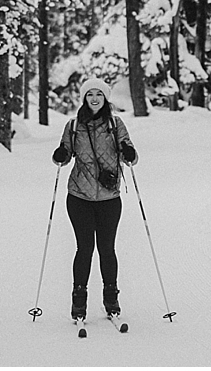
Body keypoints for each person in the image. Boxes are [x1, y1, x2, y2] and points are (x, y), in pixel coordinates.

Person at [52, 78, 138, 321]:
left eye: (98, 94)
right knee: (85, 248)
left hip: (109, 197)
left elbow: (130, 154)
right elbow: (64, 155)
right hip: (79, 196)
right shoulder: (73, 126)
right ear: (84, 98)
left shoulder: (116, 124)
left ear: (105, 97)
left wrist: (129, 153)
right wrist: (60, 155)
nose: (94, 99)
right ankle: (79, 303)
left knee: (107, 249)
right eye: (90, 94)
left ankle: (111, 300)